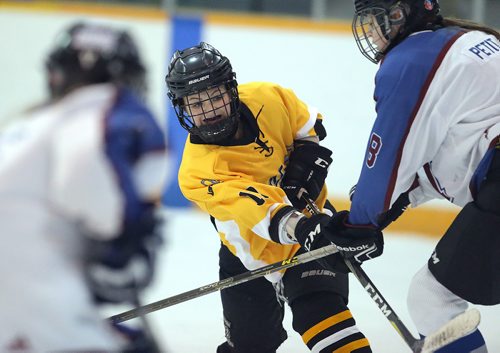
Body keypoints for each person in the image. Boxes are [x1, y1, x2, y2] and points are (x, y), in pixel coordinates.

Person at [166, 42, 373, 353]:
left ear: (231, 90)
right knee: (251, 346)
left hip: (313, 226)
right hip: (251, 254)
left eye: (214, 96)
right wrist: (304, 228)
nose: (208, 110)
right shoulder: (197, 171)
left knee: (320, 311)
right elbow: (259, 210)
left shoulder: (268, 97)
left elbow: (309, 129)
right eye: (196, 103)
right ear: (182, 107)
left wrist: (301, 180)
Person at [329, 1, 500, 352]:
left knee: (431, 300)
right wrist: (401, 198)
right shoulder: (467, 39)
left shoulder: (410, 60)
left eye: (375, 18)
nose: (369, 31)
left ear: (398, 14)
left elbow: (389, 153)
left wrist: (360, 223)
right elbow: (446, 154)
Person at [0, 22, 168, 352]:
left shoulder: (24, 128)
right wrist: (127, 245)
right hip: (31, 318)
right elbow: (113, 263)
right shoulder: (100, 117)